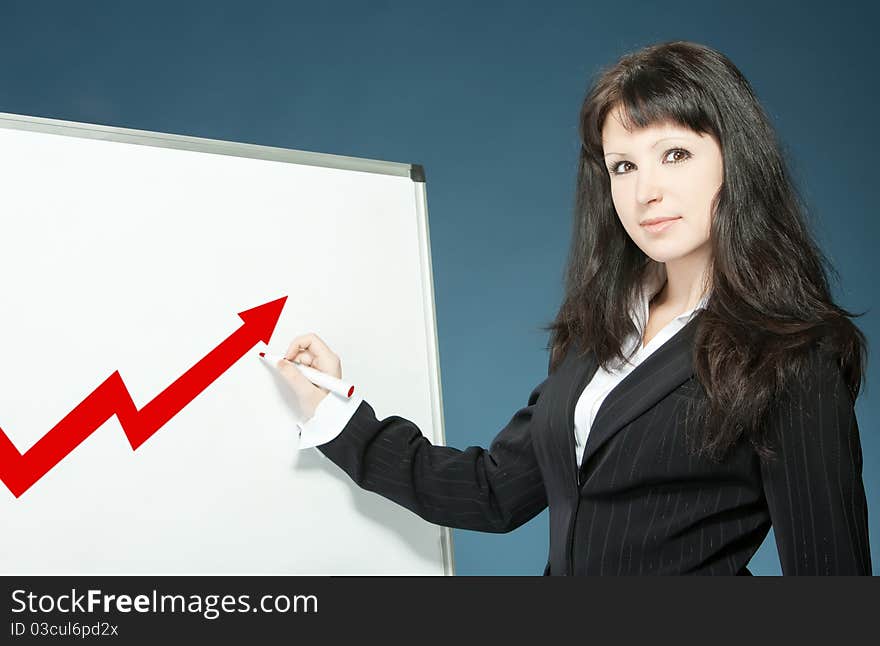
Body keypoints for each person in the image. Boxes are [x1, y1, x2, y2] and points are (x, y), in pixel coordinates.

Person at [273, 40, 871, 575]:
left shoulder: (794, 353)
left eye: (676, 155)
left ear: (735, 163)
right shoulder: (600, 332)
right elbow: (491, 493)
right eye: (624, 167)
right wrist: (333, 413)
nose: (647, 191)